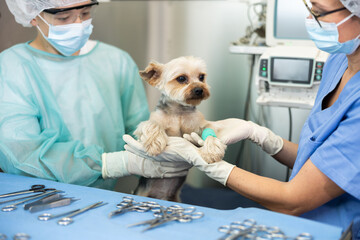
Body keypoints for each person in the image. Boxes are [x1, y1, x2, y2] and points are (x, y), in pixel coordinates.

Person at [124, 0, 360, 236]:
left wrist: (215, 166)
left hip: (337, 228)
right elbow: (323, 162)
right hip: (298, 218)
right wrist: (261, 135)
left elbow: (295, 200)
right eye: (310, 10)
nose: (310, 20)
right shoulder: (338, 60)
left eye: (318, 13)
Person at [0, 0, 190, 190]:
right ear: (34, 15)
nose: (77, 25)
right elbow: (21, 153)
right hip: (38, 199)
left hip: (109, 196)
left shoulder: (116, 61)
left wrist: (178, 139)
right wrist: (110, 164)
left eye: (84, 13)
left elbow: (139, 131)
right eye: (64, 17)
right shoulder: (12, 66)